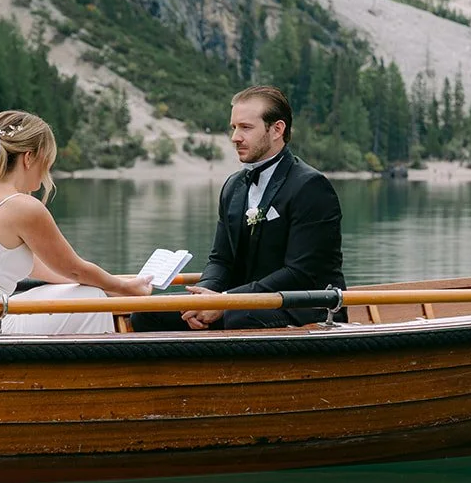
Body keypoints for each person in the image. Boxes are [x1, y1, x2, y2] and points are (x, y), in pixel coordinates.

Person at [0, 110, 152, 336]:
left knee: (77, 292)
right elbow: (75, 268)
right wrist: (126, 288)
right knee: (93, 298)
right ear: (29, 158)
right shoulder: (21, 207)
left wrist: (116, 286)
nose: (48, 169)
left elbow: (45, 269)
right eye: (47, 160)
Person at [133, 85, 345, 332]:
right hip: (242, 302)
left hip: (304, 307)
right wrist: (202, 298)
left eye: (245, 127)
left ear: (277, 129)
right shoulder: (233, 186)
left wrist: (225, 300)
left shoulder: (311, 186)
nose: (235, 137)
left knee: (239, 319)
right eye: (234, 127)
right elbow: (220, 259)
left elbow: (300, 273)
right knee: (147, 314)